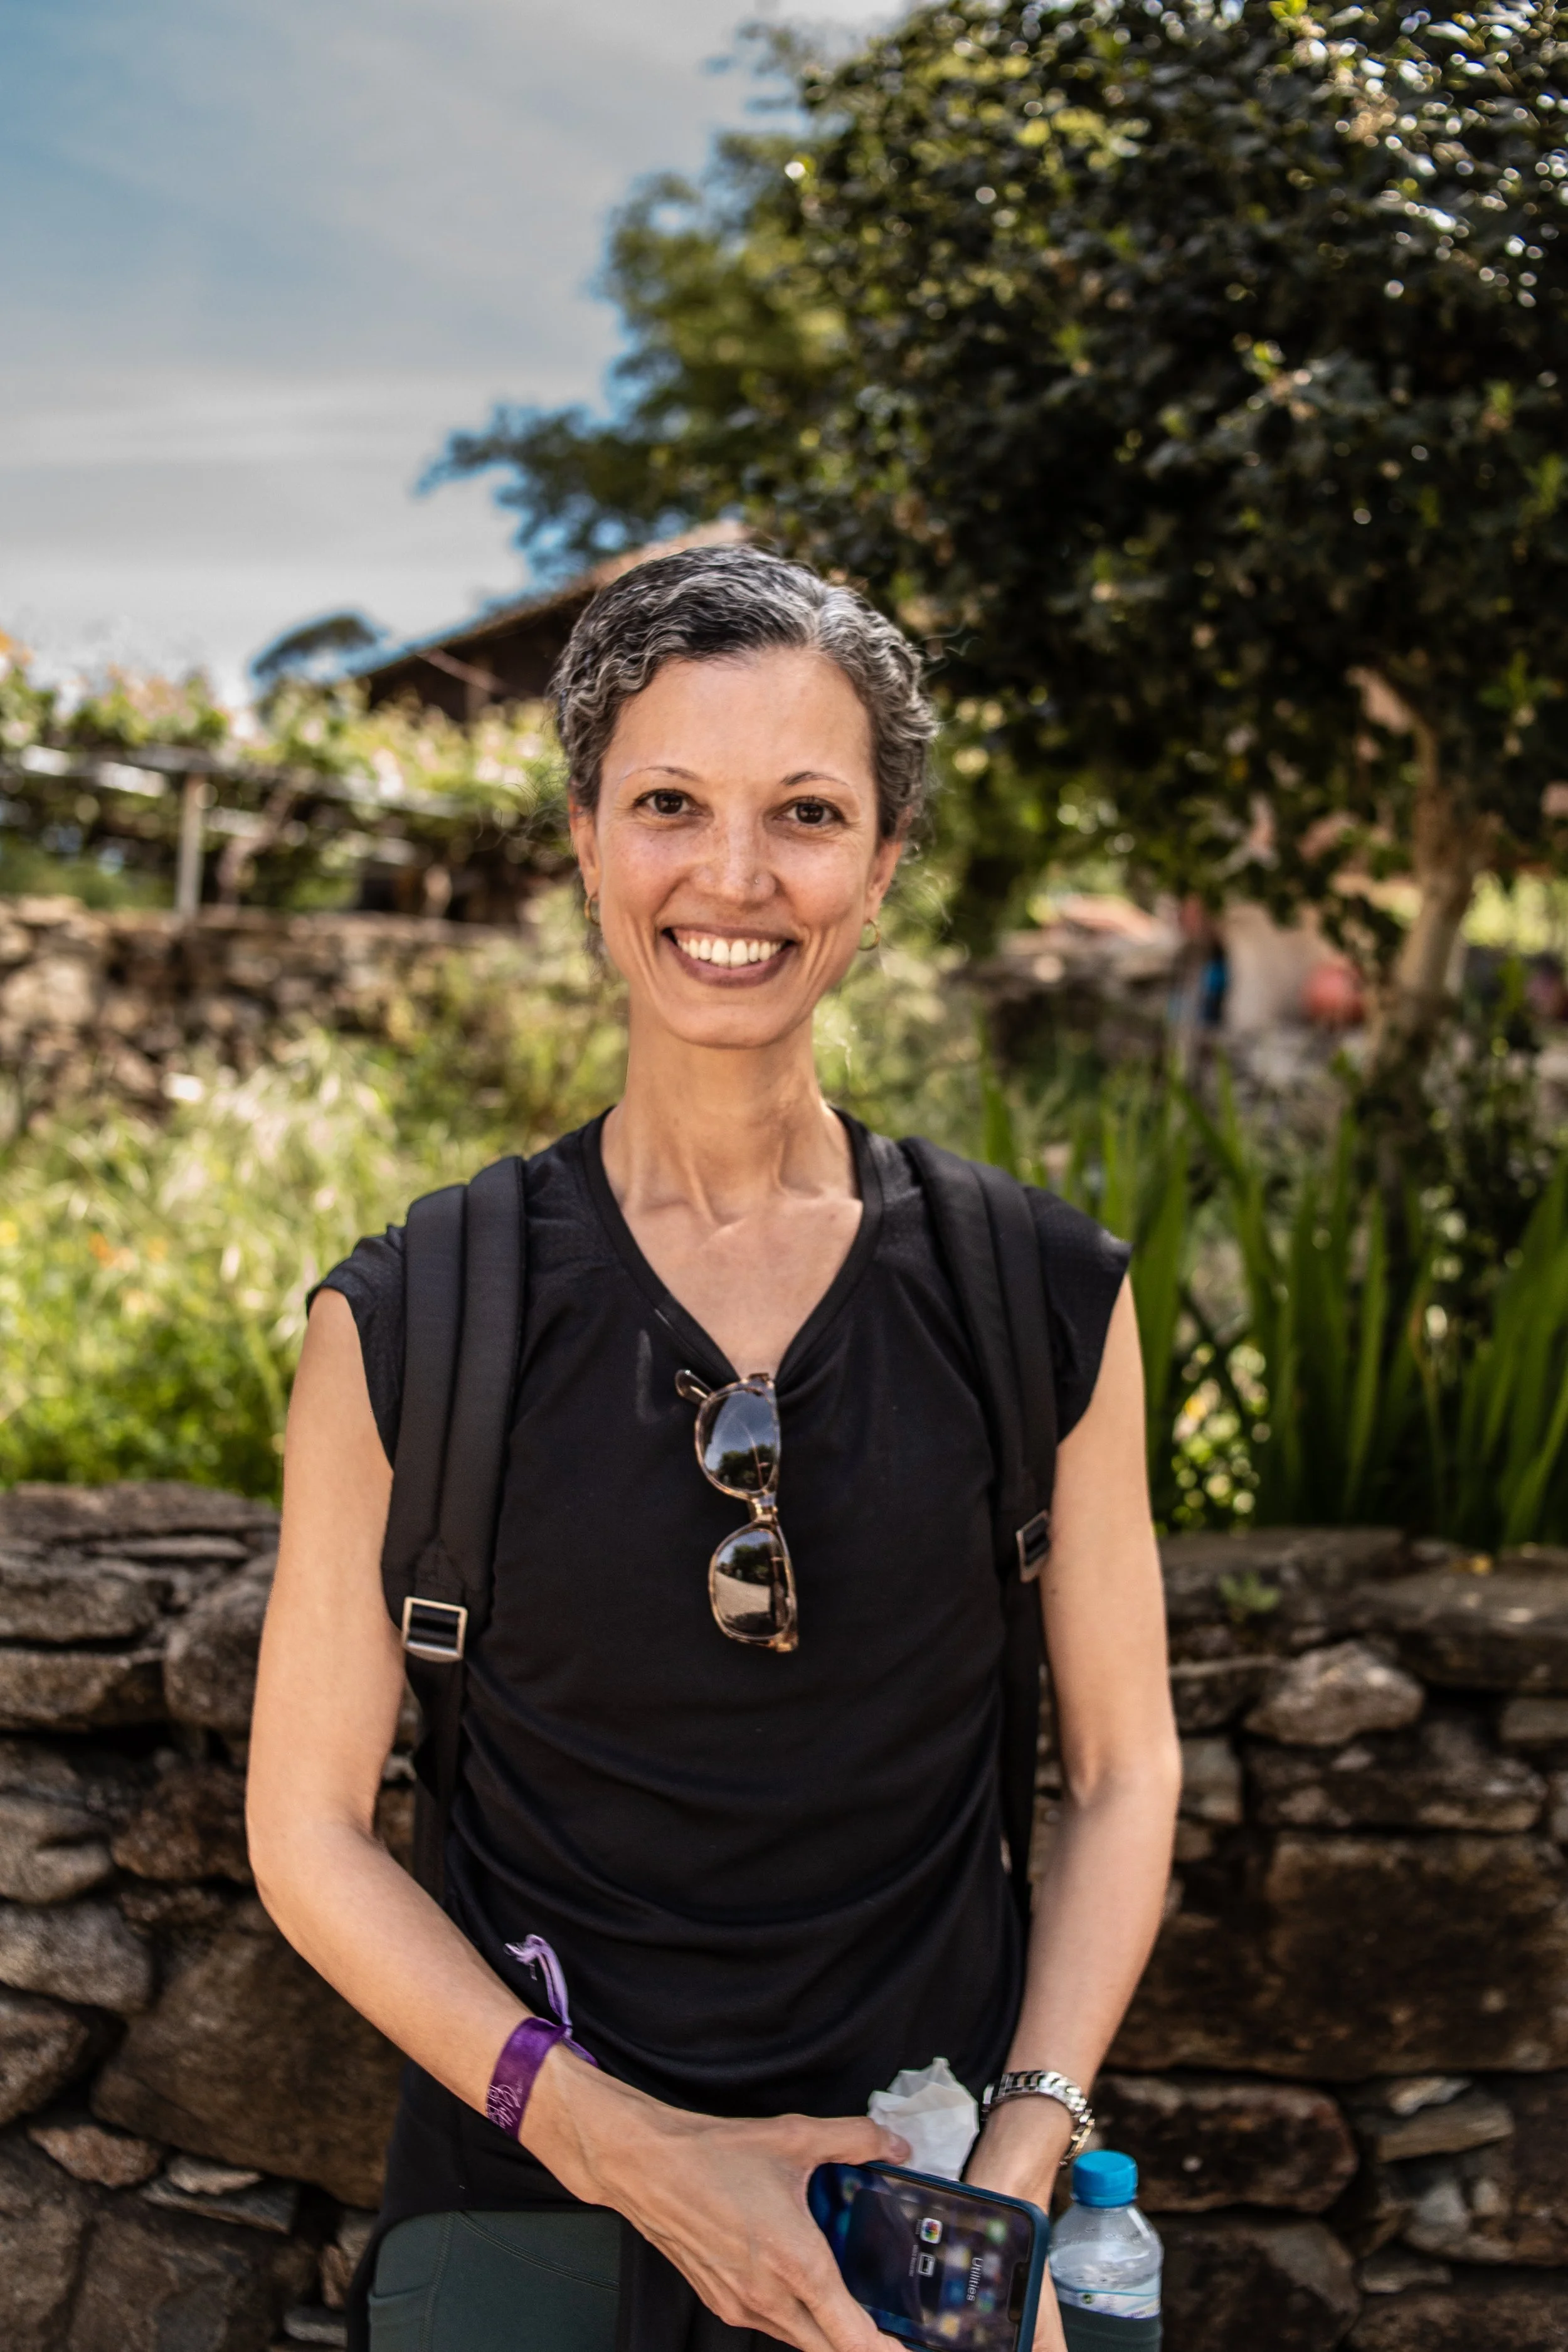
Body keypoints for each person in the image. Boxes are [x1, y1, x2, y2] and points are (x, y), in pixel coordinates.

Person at [247, 544, 1181, 2352]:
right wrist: (631, 2147)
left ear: (885, 862)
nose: (733, 879)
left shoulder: (1040, 1292)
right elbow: (303, 1825)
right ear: (585, 836)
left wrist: (1014, 2160)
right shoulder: (407, 1314)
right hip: (528, 2218)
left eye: (806, 813)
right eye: (669, 802)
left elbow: (1127, 1766)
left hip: (932, 2224)